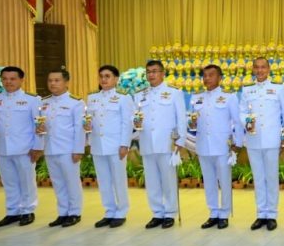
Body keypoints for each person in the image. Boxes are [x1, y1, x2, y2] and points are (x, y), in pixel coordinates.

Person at [240, 57, 284, 231]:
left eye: (263, 67)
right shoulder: (247, 90)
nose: (260, 70)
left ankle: (272, 215)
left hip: (272, 139)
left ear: (268, 69)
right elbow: (242, 112)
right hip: (253, 140)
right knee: (258, 177)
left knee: (271, 177)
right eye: (257, 67)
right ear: (253, 69)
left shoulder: (278, 88)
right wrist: (246, 122)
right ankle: (261, 213)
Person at [135, 60, 187, 229]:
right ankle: (157, 213)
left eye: (155, 71)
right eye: (148, 71)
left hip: (167, 143)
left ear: (163, 73)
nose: (151, 74)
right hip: (147, 143)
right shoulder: (139, 95)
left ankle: (170, 213)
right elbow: (135, 118)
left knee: (168, 180)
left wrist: (180, 141)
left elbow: (181, 118)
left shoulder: (174, 92)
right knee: (152, 181)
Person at [192, 64, 244, 230]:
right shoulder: (196, 97)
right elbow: (192, 120)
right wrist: (191, 123)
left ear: (220, 78)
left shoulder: (229, 97)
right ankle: (213, 212)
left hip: (222, 146)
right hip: (203, 145)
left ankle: (224, 214)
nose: (207, 78)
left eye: (211, 75)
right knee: (209, 181)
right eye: (205, 75)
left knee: (224, 180)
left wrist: (238, 143)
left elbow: (237, 121)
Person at [0, 66, 43, 227]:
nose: (8, 82)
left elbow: (39, 125)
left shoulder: (32, 99)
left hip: (25, 148)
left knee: (27, 181)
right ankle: (12, 212)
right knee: (9, 182)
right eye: (5, 79)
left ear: (21, 80)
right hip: (3, 148)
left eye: (12, 79)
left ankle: (27, 210)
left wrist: (38, 147)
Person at [87, 65, 134, 228]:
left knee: (118, 180)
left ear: (116, 79)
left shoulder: (123, 97)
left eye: (107, 76)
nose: (103, 79)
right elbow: (89, 121)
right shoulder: (92, 97)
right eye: (101, 76)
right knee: (103, 181)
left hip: (116, 145)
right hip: (97, 145)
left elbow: (127, 123)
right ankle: (109, 211)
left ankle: (121, 212)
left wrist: (124, 144)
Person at [38, 68, 86, 228]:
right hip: (50, 148)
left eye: (57, 80)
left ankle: (75, 213)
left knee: (72, 182)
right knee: (58, 183)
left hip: (68, 149)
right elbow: (40, 125)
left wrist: (78, 150)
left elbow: (79, 128)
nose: (53, 83)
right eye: (50, 80)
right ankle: (63, 212)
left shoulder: (76, 103)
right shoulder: (43, 102)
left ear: (66, 82)